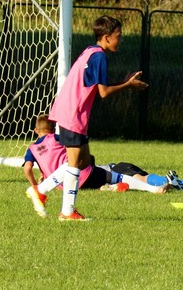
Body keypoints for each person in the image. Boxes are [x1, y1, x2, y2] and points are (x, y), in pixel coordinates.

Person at [43, 15, 149, 221]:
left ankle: (42, 190)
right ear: (107, 37)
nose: (120, 40)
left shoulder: (89, 51)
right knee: (75, 164)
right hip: (73, 114)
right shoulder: (99, 56)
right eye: (118, 36)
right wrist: (128, 85)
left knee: (83, 162)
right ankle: (66, 211)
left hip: (71, 112)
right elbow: (103, 92)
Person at [24, 114, 167, 218]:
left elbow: (27, 169)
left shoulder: (31, 149)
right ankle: (153, 189)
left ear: (36, 131)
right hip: (81, 175)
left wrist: (35, 182)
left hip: (62, 185)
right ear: (54, 128)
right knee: (115, 176)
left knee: (94, 180)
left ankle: (106, 188)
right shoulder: (56, 138)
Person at [99, 162, 183, 192]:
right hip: (120, 166)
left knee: (142, 180)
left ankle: (171, 183)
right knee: (146, 179)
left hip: (115, 170)